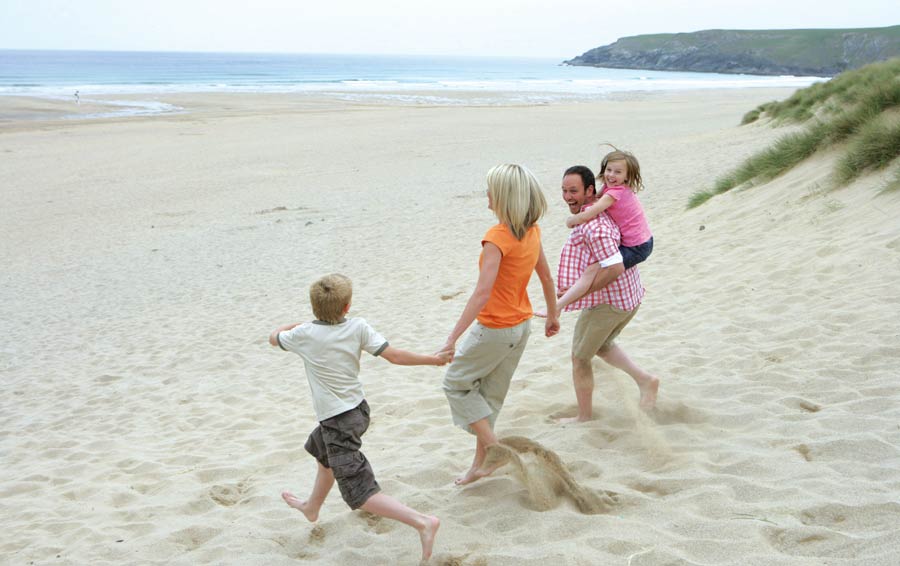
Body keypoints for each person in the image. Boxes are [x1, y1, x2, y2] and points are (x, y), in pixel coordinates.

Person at [269, 273, 448, 561]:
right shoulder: (358, 327)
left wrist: (295, 323)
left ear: (314, 308)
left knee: (359, 493)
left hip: (338, 422)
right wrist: (434, 359)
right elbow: (396, 356)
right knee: (321, 450)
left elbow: (273, 337)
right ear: (346, 307)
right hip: (358, 411)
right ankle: (312, 507)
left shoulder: (304, 335)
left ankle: (422, 522)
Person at [437, 163, 560, 485]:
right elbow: (546, 277)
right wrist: (553, 315)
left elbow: (482, 293)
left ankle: (496, 448)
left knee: (456, 384)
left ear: (504, 197)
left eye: (490, 191)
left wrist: (451, 338)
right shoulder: (532, 231)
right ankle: (480, 466)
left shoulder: (496, 238)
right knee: (489, 399)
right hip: (521, 328)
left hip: (494, 329)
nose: (487, 197)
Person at [554, 166, 659, 422]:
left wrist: (572, 297)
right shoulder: (599, 210)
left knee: (579, 358)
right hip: (628, 297)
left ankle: (584, 417)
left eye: (574, 191)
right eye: (564, 191)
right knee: (601, 346)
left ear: (590, 190)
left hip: (609, 304)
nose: (568, 196)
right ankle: (646, 381)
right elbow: (599, 262)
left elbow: (613, 268)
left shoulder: (595, 227)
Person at [565, 149, 653, 270]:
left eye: (617, 172)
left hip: (637, 247)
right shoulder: (611, 186)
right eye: (609, 170)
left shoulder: (615, 193)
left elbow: (588, 215)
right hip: (644, 239)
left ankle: (581, 289)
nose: (611, 175)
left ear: (626, 176)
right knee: (595, 267)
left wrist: (571, 221)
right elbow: (597, 198)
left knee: (600, 268)